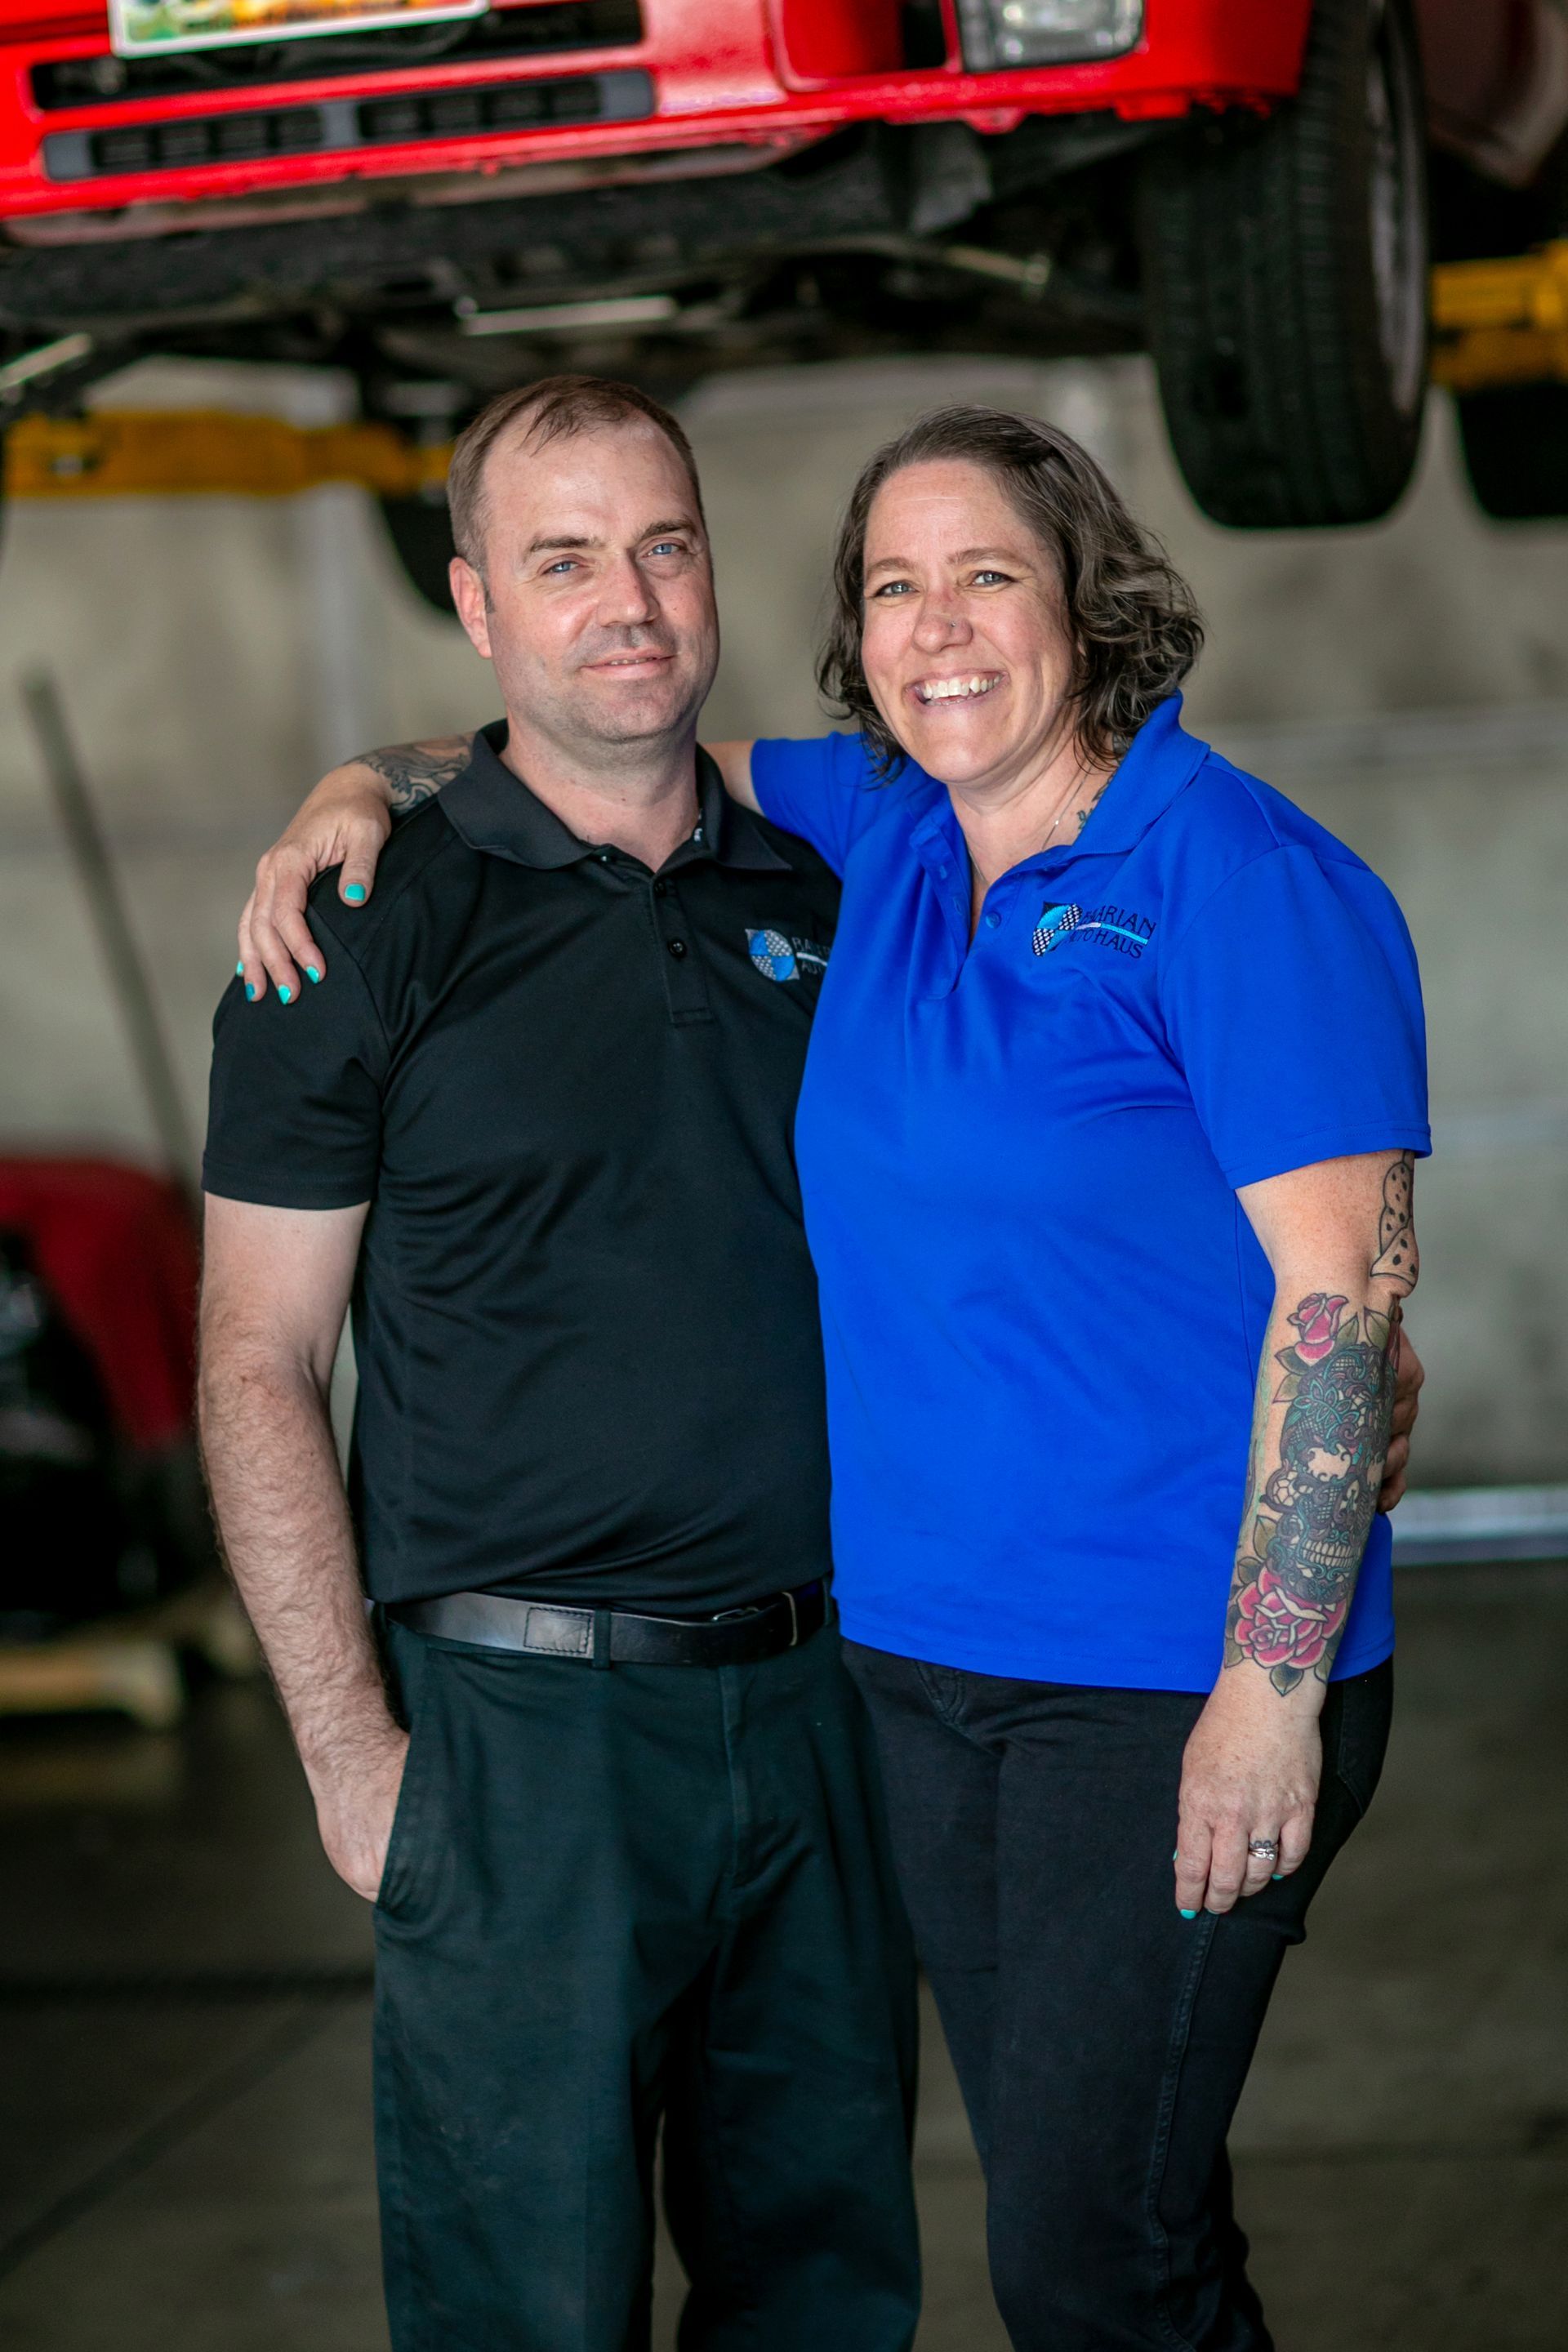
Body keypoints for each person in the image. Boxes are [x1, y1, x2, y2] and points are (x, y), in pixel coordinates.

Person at [238, 398, 1429, 2351]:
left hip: (1159, 1691)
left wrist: (1268, 1699)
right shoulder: (876, 824)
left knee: (1097, 2259)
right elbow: (591, 741)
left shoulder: (1236, 875)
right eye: (893, 586)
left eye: (987, 578)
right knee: (1084, 2211)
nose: (938, 627)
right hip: (915, 1688)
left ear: (1088, 601)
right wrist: (346, 789)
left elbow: (1342, 1303)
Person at [198, 376, 922, 2352]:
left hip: (820, 1708)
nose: (630, 601)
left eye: (664, 547)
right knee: (528, 2311)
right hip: (515, 1739)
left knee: (830, 2295)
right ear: (475, 601)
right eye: (565, 560)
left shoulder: (828, 895)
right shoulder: (355, 927)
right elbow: (257, 1363)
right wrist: (357, 1762)